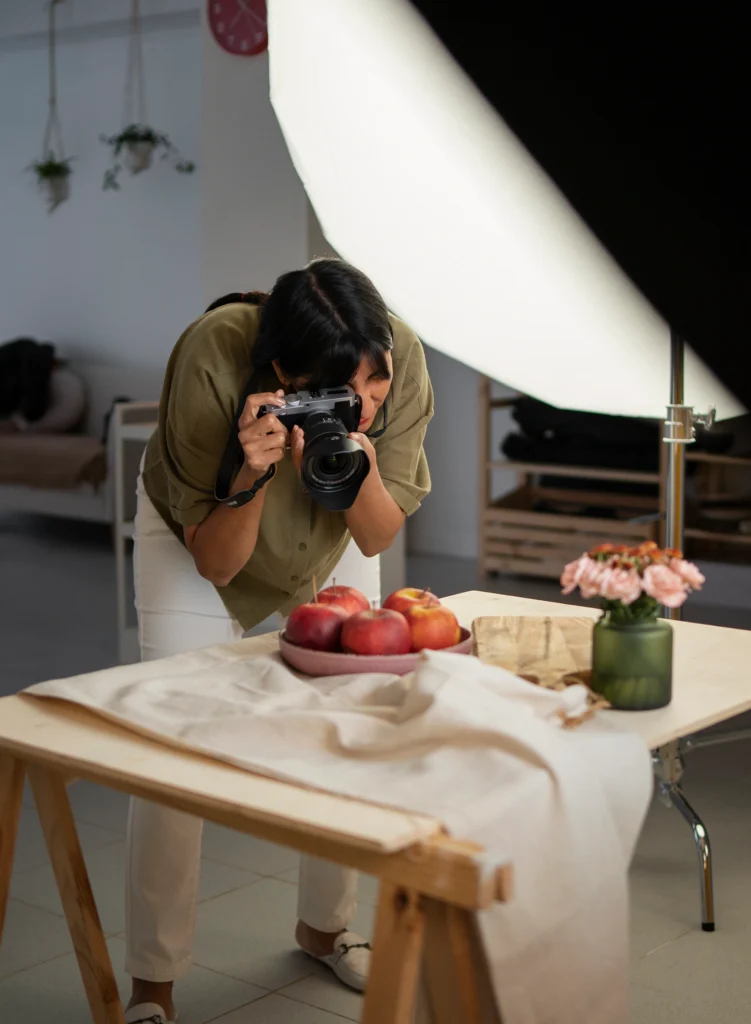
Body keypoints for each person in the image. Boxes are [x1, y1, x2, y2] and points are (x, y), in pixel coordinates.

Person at [125, 258, 434, 1024]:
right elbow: (216, 561)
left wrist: (350, 457)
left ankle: (325, 928)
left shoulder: (402, 352)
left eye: (375, 386)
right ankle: (152, 985)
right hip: (208, 525)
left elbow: (378, 528)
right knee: (173, 745)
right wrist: (255, 474)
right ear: (282, 371)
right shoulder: (212, 353)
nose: (362, 405)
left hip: (334, 522)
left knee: (355, 720)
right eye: (338, 391)